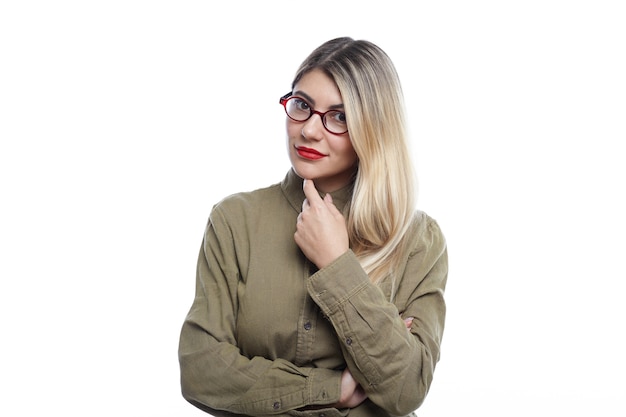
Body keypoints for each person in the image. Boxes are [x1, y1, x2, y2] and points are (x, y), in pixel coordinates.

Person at [178, 37, 448, 417]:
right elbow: (201, 369)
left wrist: (338, 264)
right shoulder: (234, 220)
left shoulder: (418, 239)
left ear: (374, 129)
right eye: (302, 106)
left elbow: (405, 388)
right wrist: (330, 388)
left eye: (339, 116)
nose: (308, 131)